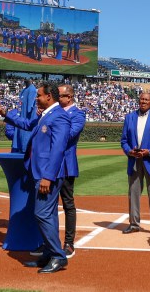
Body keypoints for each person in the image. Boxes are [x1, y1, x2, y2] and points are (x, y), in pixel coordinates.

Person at [0, 82, 71, 274]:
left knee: (42, 213)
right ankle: (48, 254)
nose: (36, 99)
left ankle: (58, 256)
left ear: (49, 97)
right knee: (48, 214)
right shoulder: (46, 115)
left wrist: (48, 177)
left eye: (39, 96)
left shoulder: (59, 117)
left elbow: (58, 150)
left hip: (47, 175)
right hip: (39, 172)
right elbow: (26, 125)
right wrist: (4, 114)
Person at [120, 92, 150, 236]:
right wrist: (129, 151)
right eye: (141, 99)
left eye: (146, 100)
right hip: (134, 160)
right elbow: (124, 140)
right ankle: (134, 224)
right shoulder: (129, 117)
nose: (143, 101)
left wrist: (149, 152)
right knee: (133, 194)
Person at [55, 84, 85, 257]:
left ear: (69, 97)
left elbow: (68, 135)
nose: (57, 98)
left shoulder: (78, 114)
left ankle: (69, 243)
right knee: (49, 204)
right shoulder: (54, 112)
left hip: (66, 164)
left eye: (59, 96)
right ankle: (49, 241)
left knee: (68, 203)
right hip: (50, 164)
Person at [13, 79, 37, 153]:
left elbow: (29, 109)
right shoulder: (23, 91)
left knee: (25, 152)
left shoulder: (32, 90)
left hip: (26, 125)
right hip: (20, 124)